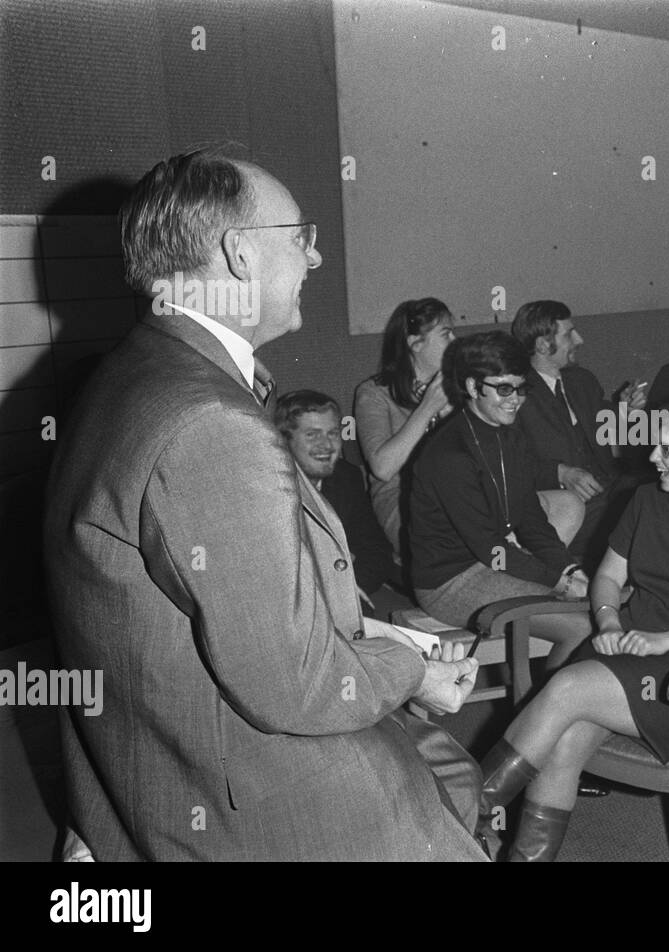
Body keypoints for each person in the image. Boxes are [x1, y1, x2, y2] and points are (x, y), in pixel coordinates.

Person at [43, 150, 484, 861]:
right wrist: (413, 670)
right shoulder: (208, 421)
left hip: (162, 765)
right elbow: (299, 688)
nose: (313, 257)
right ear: (240, 255)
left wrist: (386, 638)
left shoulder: (132, 371)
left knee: (458, 783)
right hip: (262, 801)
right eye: (299, 237)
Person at [475, 418, 669, 861]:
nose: (653, 458)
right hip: (624, 646)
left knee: (564, 689)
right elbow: (609, 577)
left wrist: (668, 641)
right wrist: (609, 620)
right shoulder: (646, 499)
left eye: (667, 450)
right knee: (563, 740)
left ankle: (459, 814)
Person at [408, 331, 592, 669]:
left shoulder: (510, 436)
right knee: (582, 628)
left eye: (521, 388)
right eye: (504, 389)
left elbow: (531, 520)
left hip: (490, 561)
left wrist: (569, 568)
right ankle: (544, 713)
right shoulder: (450, 455)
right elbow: (489, 548)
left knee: (589, 604)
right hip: (449, 582)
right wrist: (558, 581)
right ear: (472, 387)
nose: (516, 400)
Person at [511, 299, 649, 570]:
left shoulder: (582, 380)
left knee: (660, 494)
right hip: (564, 507)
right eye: (568, 334)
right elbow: (510, 463)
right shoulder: (515, 394)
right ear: (542, 345)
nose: (579, 339)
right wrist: (560, 473)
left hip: (609, 489)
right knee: (646, 521)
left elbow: (608, 434)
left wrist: (626, 410)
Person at [275, 389, 399, 613]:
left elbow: (377, 552)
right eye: (312, 435)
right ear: (285, 441)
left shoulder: (346, 478)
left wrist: (348, 587)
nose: (326, 445)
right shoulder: (269, 490)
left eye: (332, 433)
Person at [354, 298, 457, 554]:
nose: (455, 341)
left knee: (564, 506)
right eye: (446, 334)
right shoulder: (374, 393)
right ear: (415, 343)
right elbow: (383, 468)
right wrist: (428, 408)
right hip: (403, 498)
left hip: (458, 492)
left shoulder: (458, 387)